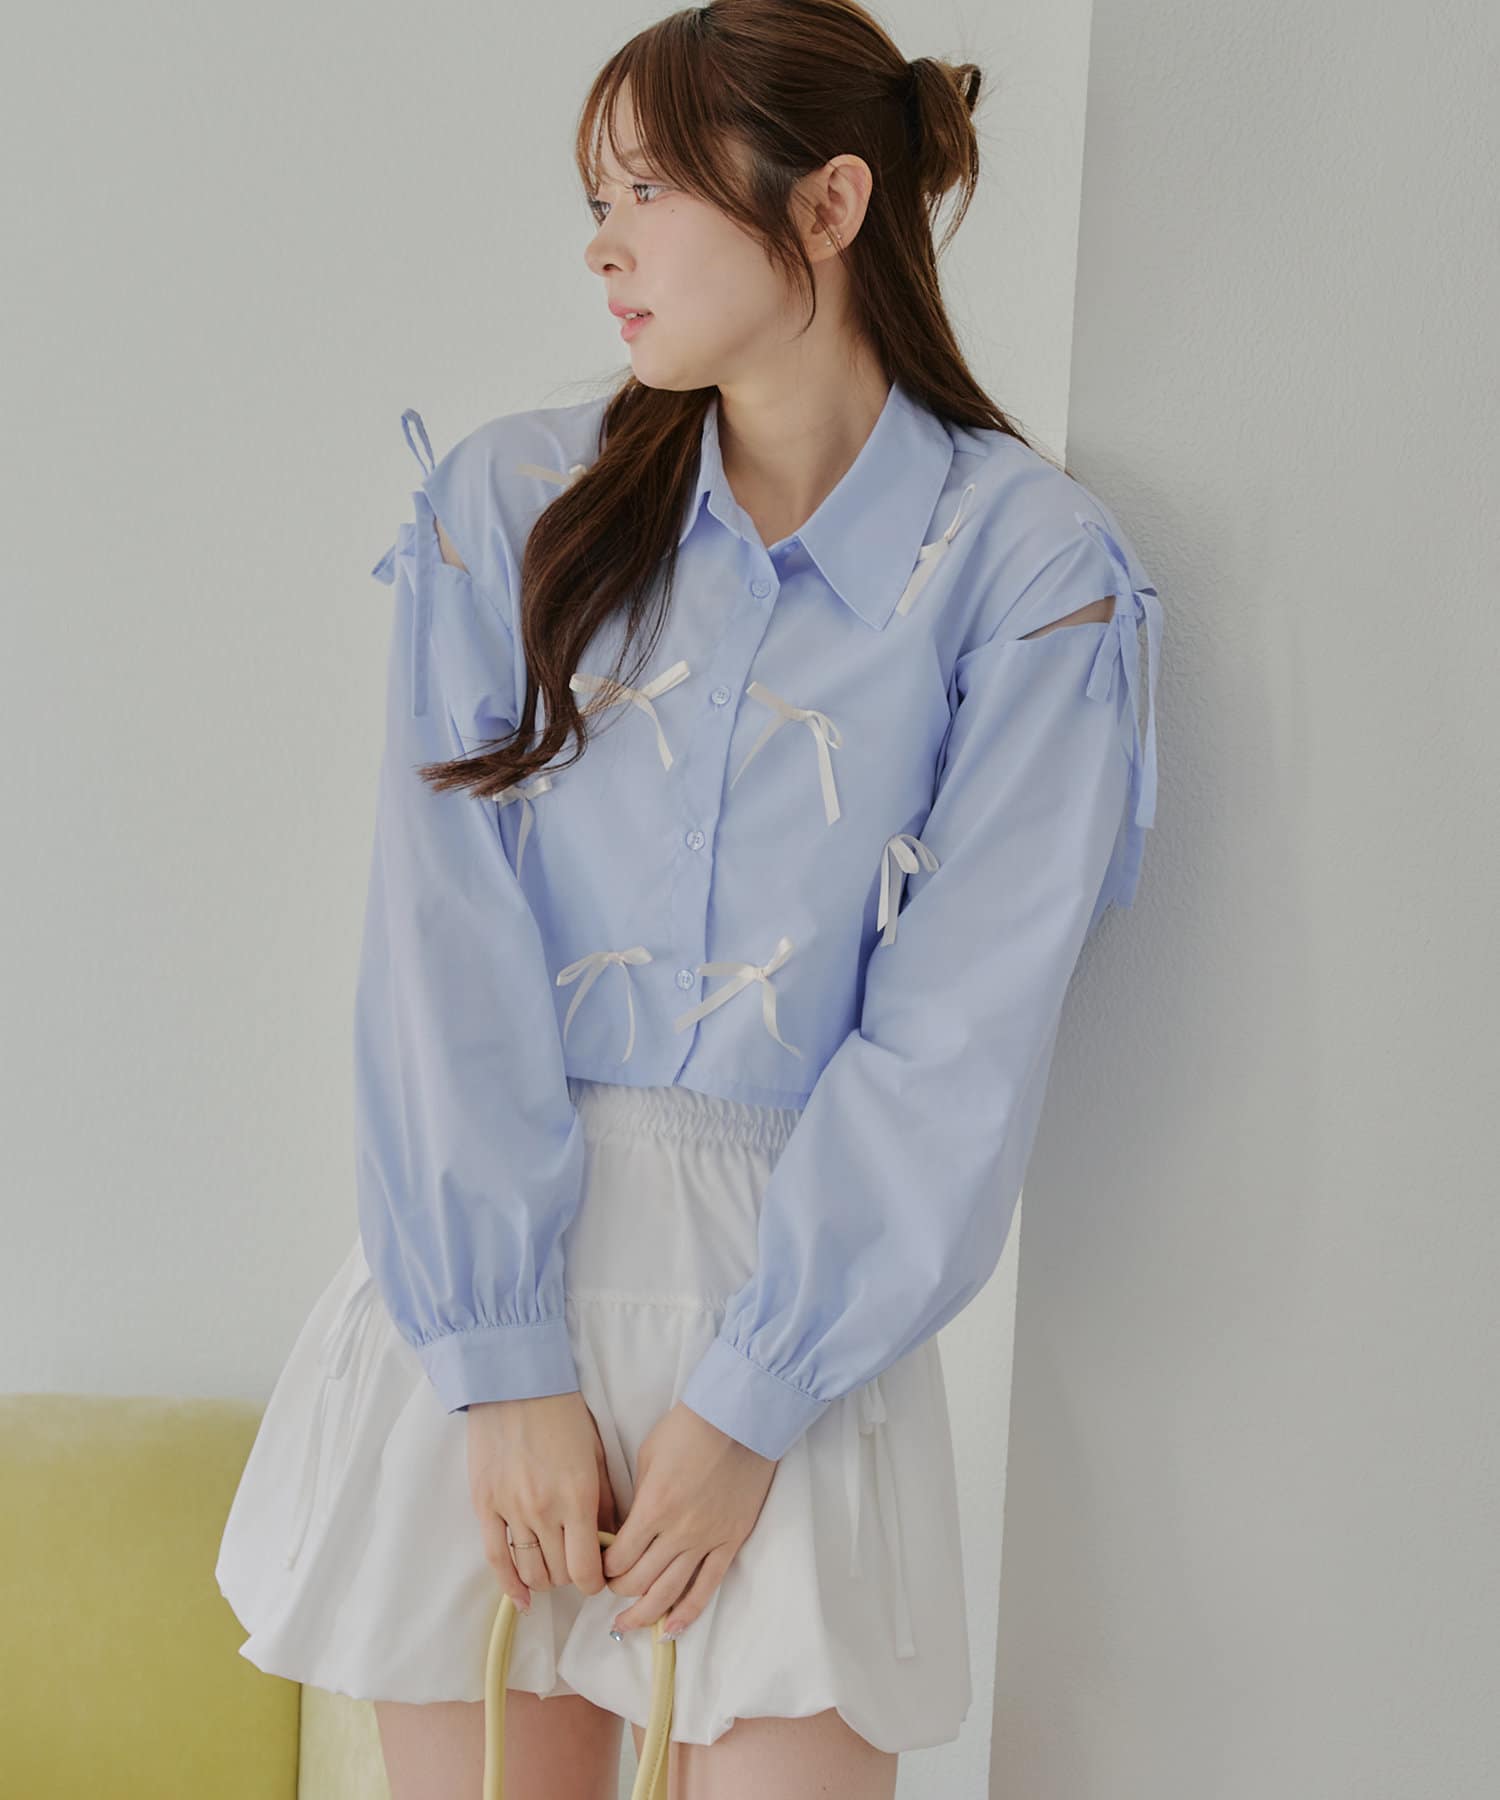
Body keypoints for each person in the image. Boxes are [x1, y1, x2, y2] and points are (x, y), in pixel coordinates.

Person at [215, 3, 1164, 1795]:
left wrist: (753, 1399)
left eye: (648, 190)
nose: (604, 247)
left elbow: (963, 1031)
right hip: (490, 1310)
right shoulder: (515, 504)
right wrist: (499, 1362)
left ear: (829, 206)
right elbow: (442, 949)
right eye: (600, 199)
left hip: (795, 1320)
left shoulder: (1030, 570)